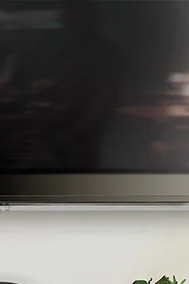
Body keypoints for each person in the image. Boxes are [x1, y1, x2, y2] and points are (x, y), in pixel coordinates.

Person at [52, 0, 122, 170]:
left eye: (68, 15)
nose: (64, 21)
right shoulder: (72, 49)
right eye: (63, 16)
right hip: (66, 128)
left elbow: (107, 96)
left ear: (85, 17)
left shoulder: (103, 50)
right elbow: (68, 85)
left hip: (82, 132)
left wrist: (81, 129)